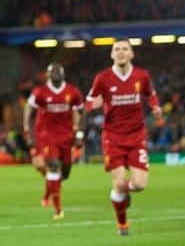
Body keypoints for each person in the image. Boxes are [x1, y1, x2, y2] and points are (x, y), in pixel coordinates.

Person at [85, 39, 162, 236]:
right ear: (111, 55)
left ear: (131, 54)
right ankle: (122, 225)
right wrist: (92, 105)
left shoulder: (141, 76)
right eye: (116, 49)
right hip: (113, 138)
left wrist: (155, 106)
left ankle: (123, 193)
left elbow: (150, 93)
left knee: (139, 185)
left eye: (124, 49)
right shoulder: (102, 78)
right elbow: (87, 102)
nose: (120, 52)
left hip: (137, 136)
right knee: (118, 183)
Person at [23, 63, 84, 220]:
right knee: (53, 165)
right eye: (53, 73)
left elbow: (82, 112)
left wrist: (79, 134)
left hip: (66, 136)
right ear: (48, 76)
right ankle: (58, 210)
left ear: (63, 75)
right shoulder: (40, 92)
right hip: (47, 136)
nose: (56, 76)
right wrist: (28, 133)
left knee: (64, 173)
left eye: (59, 73)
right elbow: (28, 111)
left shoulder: (73, 91)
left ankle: (47, 193)